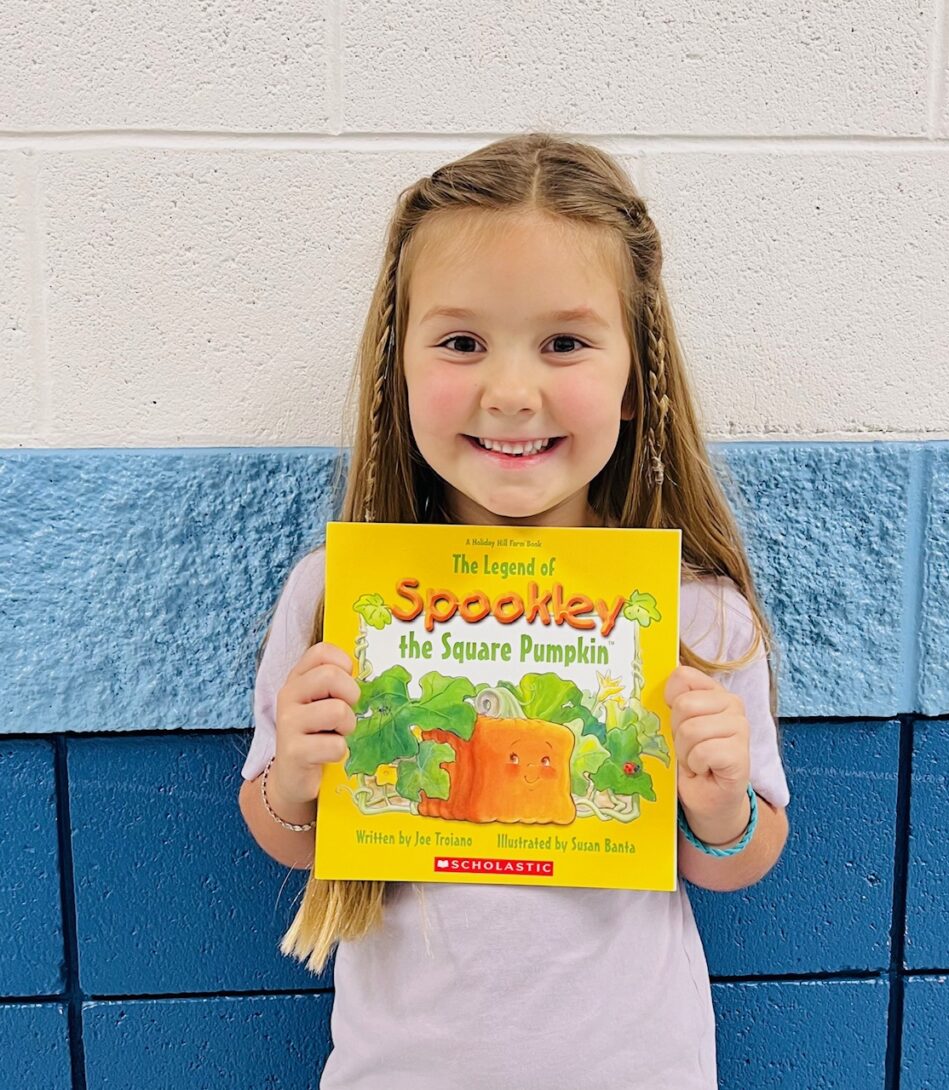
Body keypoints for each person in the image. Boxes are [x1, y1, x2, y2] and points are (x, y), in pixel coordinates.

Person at [238, 131, 791, 1090]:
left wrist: (718, 802)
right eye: (461, 342)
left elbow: (739, 861)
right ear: (396, 371)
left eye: (565, 343)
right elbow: (285, 836)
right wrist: (294, 777)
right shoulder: (332, 595)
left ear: (636, 382)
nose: (510, 393)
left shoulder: (699, 618)